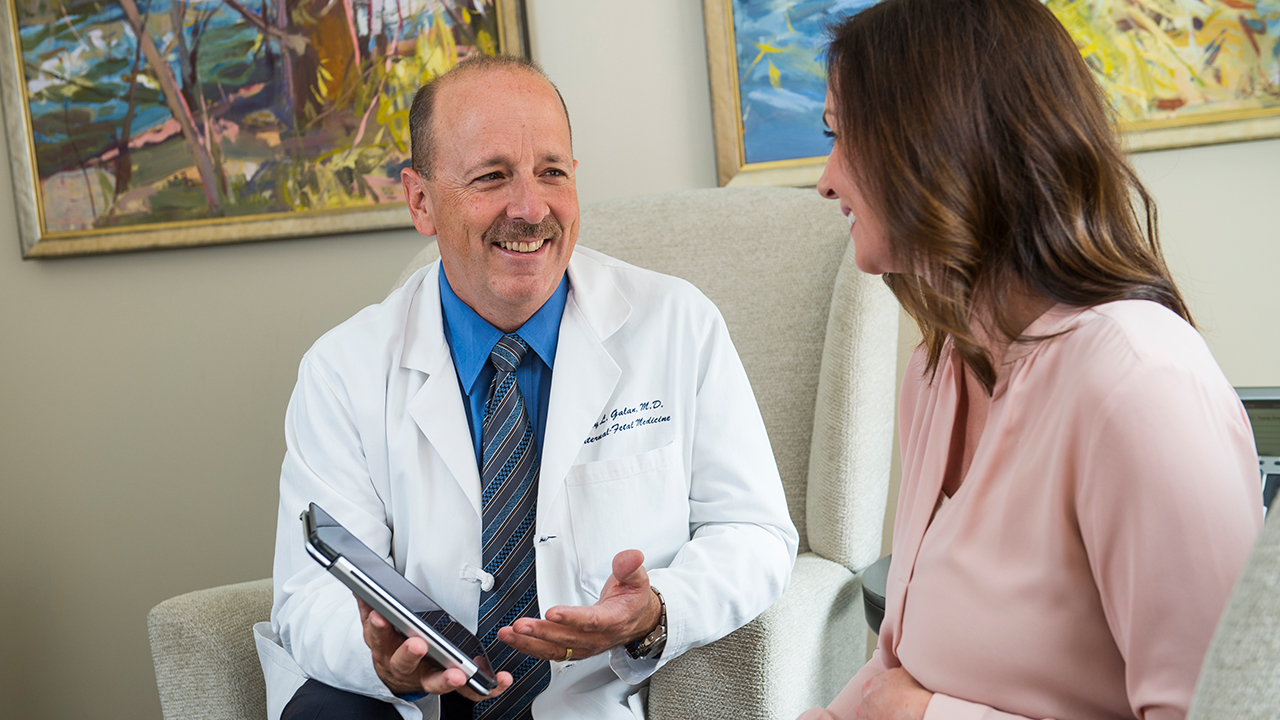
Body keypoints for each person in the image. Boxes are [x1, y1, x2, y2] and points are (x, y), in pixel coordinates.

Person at [252, 55, 798, 720]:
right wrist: (378, 653)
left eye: (553, 173)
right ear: (420, 201)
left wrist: (655, 612)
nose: (531, 208)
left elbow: (755, 531)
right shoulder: (343, 369)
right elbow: (310, 596)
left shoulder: (676, 325)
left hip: (593, 700)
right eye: (492, 177)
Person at [802, 0, 1262, 718]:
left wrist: (925, 717)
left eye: (842, 137)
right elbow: (894, 672)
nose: (825, 180)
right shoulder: (939, 372)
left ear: (939, 141)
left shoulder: (1140, 384)